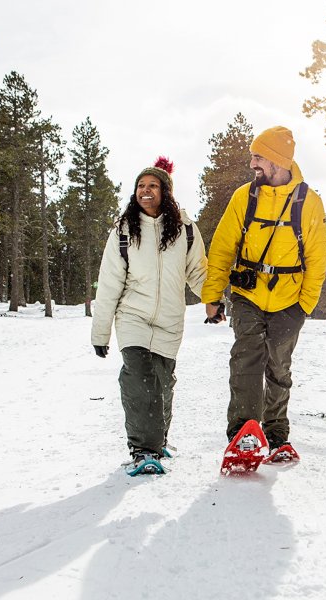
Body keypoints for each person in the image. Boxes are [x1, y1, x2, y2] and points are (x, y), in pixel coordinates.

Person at [201, 126, 326, 453]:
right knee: (246, 358)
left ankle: (275, 434)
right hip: (247, 296)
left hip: (289, 301)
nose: (252, 163)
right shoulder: (245, 197)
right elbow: (222, 248)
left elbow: (317, 259)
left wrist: (304, 306)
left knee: (278, 368)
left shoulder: (308, 202)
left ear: (276, 160)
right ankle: (243, 434)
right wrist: (212, 295)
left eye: (258, 156)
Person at [91, 157, 207, 474]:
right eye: (141, 186)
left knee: (163, 383)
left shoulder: (185, 230)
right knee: (139, 380)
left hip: (170, 320)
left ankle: (158, 439)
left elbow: (198, 274)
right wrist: (100, 333)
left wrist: (214, 300)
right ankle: (143, 450)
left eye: (153, 186)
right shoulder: (124, 231)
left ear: (165, 192)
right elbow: (109, 284)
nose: (145, 191)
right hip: (133, 317)